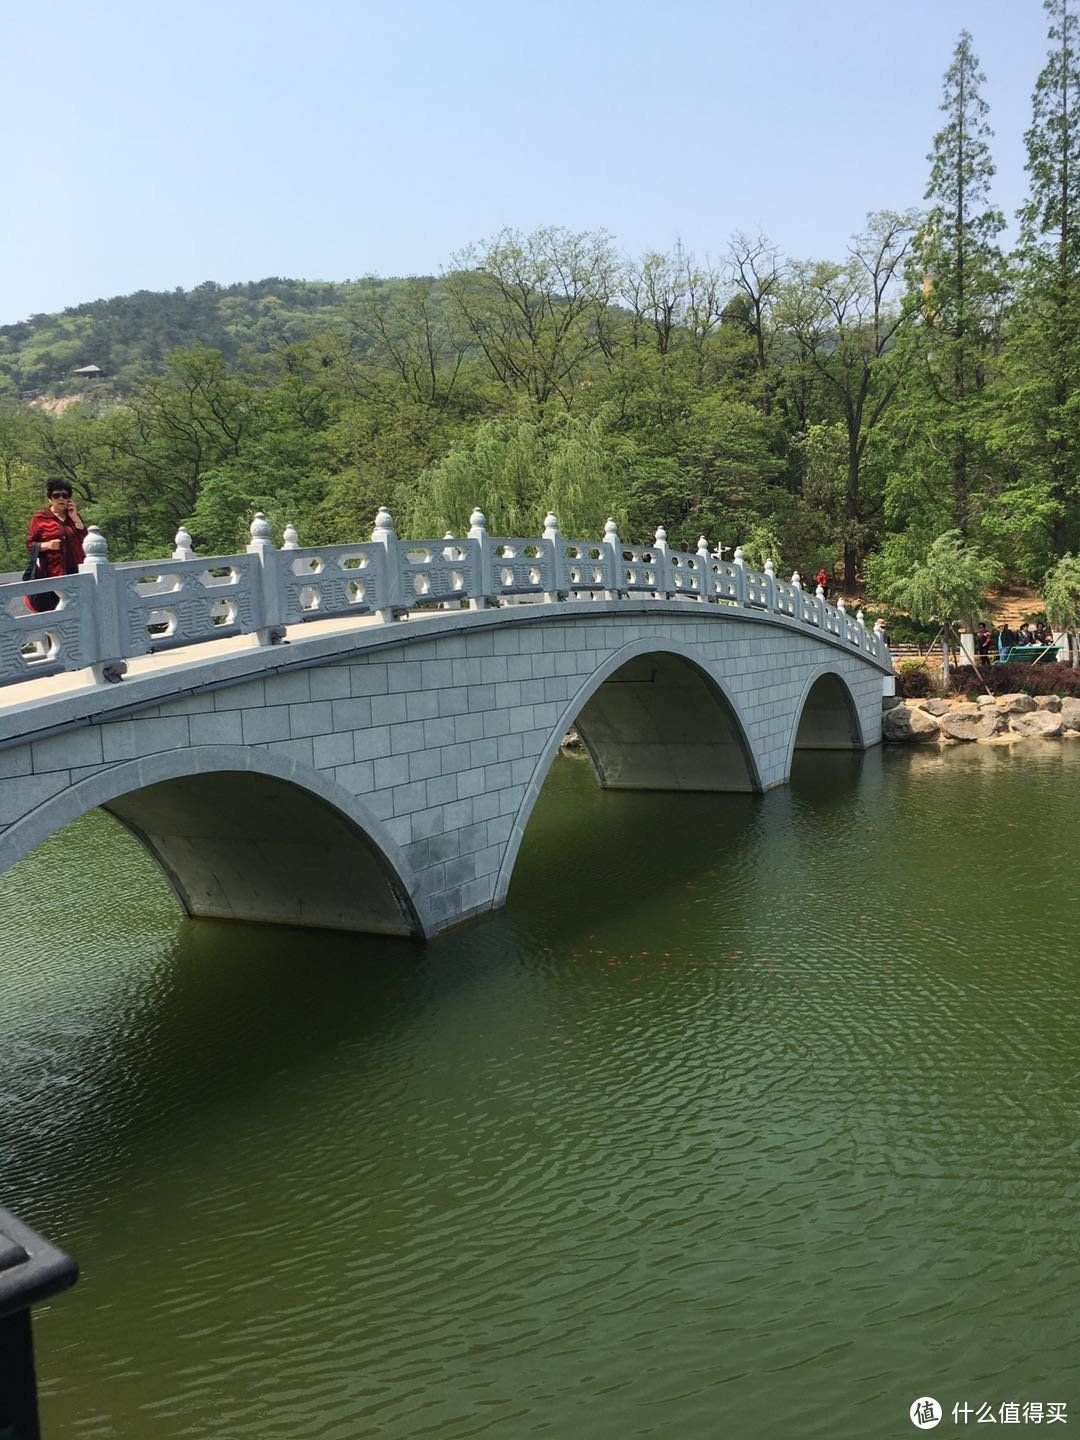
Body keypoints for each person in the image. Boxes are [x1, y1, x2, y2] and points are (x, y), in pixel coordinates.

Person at [26, 480, 87, 611]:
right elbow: (30, 545)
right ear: (50, 499)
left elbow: (86, 542)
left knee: (79, 608)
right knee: (56, 609)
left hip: (76, 570)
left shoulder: (74, 516)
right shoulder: (40, 517)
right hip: (52, 572)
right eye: (56, 495)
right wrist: (47, 545)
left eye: (65, 496)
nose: (61, 498)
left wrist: (75, 518)